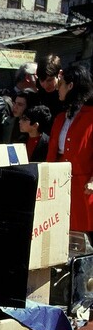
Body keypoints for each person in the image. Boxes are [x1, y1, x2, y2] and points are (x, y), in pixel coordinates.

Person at [46, 64, 93, 236]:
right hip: (60, 186)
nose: (58, 87)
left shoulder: (91, 116)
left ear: (71, 86)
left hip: (85, 188)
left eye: (61, 83)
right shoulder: (60, 118)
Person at [35, 54, 64, 134]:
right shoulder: (39, 93)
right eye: (42, 81)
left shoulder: (68, 91)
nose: (45, 85)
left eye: (49, 80)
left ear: (60, 74)